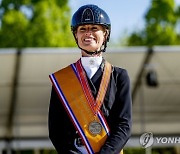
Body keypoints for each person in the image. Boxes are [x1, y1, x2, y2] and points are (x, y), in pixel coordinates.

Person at [48, 4, 132, 154]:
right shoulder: (62, 79)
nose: (88, 33)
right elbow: (56, 131)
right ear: (76, 35)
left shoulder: (119, 76)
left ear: (105, 34)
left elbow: (124, 126)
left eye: (94, 28)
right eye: (82, 29)